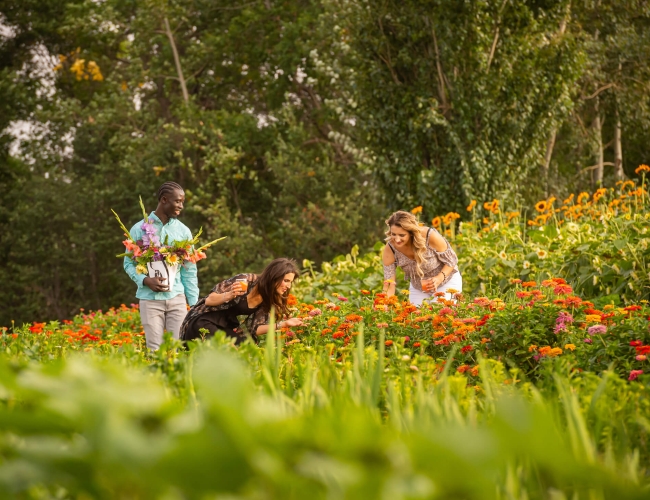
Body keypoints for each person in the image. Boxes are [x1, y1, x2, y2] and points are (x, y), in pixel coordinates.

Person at [123, 181, 199, 350]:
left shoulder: (183, 231)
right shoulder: (138, 229)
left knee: (178, 349)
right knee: (155, 351)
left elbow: (190, 270)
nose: (181, 206)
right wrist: (144, 280)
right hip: (149, 301)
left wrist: (194, 304)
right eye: (177, 201)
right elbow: (128, 264)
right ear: (164, 200)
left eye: (182, 202)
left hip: (177, 299)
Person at [180, 258, 304, 345]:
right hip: (204, 322)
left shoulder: (267, 297)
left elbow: (255, 329)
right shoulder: (246, 281)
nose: (288, 286)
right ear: (274, 276)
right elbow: (209, 300)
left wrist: (285, 324)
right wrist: (228, 295)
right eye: (286, 281)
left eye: (290, 282)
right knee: (229, 348)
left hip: (223, 327)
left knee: (246, 347)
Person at [382, 210, 462, 307]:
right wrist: (383, 306)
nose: (397, 239)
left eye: (402, 235)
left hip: (446, 281)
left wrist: (439, 278)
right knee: (415, 318)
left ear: (411, 233)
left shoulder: (429, 236)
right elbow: (389, 284)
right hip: (418, 287)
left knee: (439, 314)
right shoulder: (390, 248)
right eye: (393, 234)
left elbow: (452, 260)